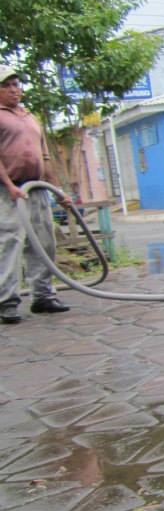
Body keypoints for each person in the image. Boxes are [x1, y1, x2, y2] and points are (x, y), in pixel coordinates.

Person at [0, 65, 71, 325]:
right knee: (10, 243)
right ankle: (7, 303)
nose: (13, 90)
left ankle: (43, 296)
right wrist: (9, 185)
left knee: (43, 242)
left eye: (16, 84)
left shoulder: (29, 116)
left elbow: (45, 156)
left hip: (37, 187)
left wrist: (57, 189)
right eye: (6, 85)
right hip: (10, 190)